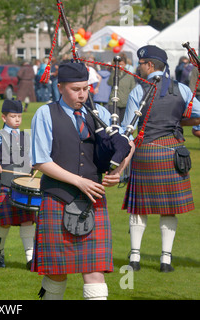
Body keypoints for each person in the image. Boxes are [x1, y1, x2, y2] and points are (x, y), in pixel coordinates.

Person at [30, 62, 133, 300]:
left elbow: (123, 148)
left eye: (86, 88)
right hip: (57, 197)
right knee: (57, 272)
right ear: (60, 87)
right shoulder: (45, 114)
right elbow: (40, 161)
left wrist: (118, 170)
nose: (83, 94)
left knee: (95, 270)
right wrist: (79, 181)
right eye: (76, 89)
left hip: (92, 202)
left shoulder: (100, 114)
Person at [121, 45, 200, 273]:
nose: (139, 67)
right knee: (169, 209)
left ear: (150, 65)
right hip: (173, 153)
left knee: (139, 209)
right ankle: (165, 261)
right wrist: (180, 122)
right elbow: (197, 115)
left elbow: (129, 129)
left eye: (142, 63)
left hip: (146, 153)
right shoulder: (182, 90)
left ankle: (134, 258)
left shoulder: (139, 91)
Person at [0, 100, 35, 269]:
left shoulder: (27, 136)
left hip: (25, 187)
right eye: (13, 116)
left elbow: (33, 159)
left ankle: (30, 259)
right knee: (3, 223)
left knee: (27, 222)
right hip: (5, 185)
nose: (17, 119)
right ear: (4, 117)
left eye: (19, 116)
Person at [106, 55, 136, 124]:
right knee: (114, 123)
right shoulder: (114, 73)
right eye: (119, 64)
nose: (120, 66)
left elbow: (133, 88)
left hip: (125, 103)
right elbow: (110, 83)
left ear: (125, 64)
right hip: (113, 102)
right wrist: (114, 72)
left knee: (123, 123)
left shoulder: (129, 75)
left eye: (122, 64)